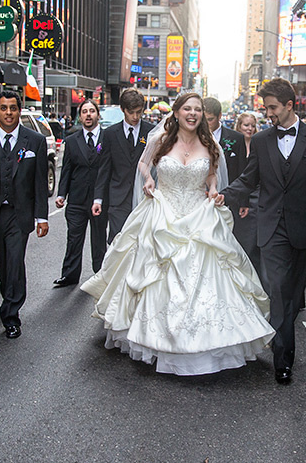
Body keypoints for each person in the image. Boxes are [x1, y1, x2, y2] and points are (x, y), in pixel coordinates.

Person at [81, 93, 274, 376]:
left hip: (198, 217)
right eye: (187, 109)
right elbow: (145, 163)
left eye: (197, 109)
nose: (193, 114)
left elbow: (212, 174)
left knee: (206, 277)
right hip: (163, 212)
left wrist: (211, 189)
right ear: (177, 112)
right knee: (153, 272)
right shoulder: (161, 139)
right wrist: (148, 179)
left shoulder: (210, 144)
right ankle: (157, 338)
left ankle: (205, 344)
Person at [221, 78, 306, 385]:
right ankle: (283, 360)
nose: (268, 113)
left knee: (293, 297)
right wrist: (224, 195)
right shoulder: (264, 140)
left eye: (272, 107)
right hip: (271, 228)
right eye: (266, 107)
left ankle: (277, 328)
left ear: (290, 105)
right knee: (278, 291)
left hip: (305, 229)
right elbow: (248, 179)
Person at [0, 91, 49, 339]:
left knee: (15, 262)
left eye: (13, 108)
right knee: (1, 262)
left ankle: (11, 314)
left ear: (19, 110)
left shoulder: (34, 140)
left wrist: (42, 217)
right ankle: (9, 293)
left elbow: (38, 182)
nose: (8, 113)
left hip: (19, 213)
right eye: (3, 108)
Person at [53, 99, 107, 288]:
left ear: (98, 115)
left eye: (92, 111)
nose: (88, 114)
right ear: (80, 116)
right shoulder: (71, 141)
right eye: (84, 111)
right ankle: (69, 275)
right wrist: (61, 195)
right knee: (74, 238)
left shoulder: (107, 138)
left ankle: (100, 274)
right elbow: (66, 170)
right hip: (76, 199)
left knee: (99, 239)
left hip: (100, 199)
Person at [92, 89, 154, 242]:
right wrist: (98, 199)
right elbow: (104, 169)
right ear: (123, 110)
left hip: (144, 198)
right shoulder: (110, 134)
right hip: (118, 199)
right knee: (118, 243)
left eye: (139, 112)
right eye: (131, 112)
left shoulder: (151, 131)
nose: (135, 117)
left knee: (143, 244)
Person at [232, 113, 260, 272]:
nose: (249, 129)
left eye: (252, 126)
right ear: (239, 126)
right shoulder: (235, 143)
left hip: (255, 198)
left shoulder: (258, 144)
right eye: (246, 125)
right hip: (237, 196)